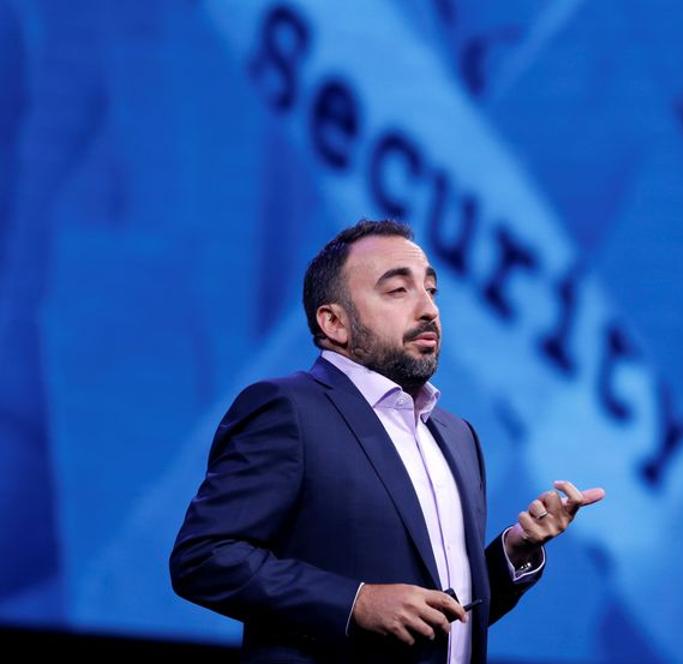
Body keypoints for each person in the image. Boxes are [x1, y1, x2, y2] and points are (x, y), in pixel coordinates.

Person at [170, 219, 604, 663]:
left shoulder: (458, 437)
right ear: (334, 322)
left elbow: (444, 617)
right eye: (398, 291)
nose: (428, 309)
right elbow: (204, 558)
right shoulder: (288, 409)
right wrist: (356, 602)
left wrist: (516, 550)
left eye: (431, 291)